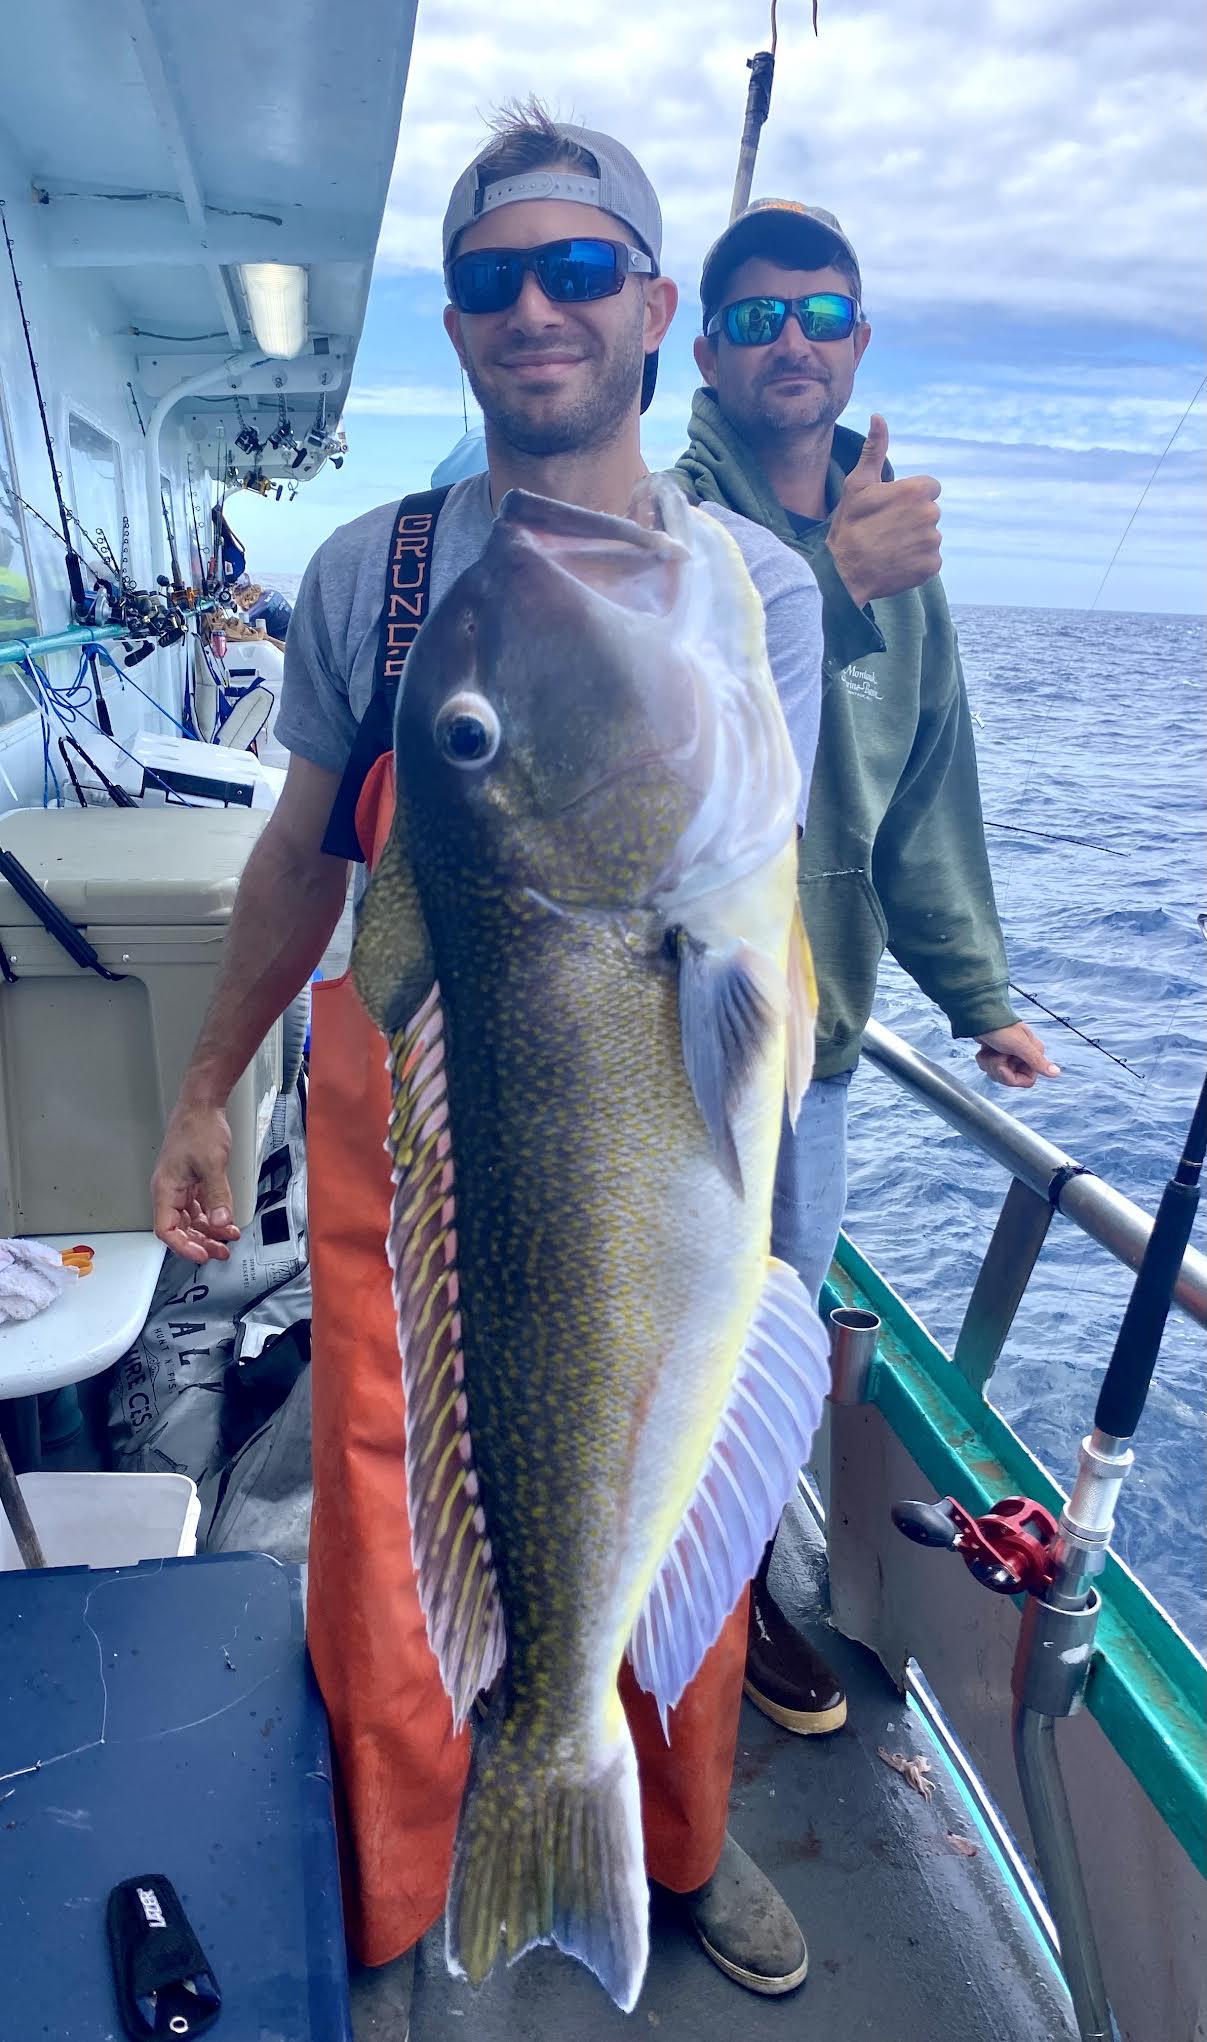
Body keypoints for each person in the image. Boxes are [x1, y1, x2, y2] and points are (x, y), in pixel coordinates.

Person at [150, 111, 825, 2012]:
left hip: (647, 1119)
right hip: (416, 1148)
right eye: (492, 279)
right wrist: (204, 1087)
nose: (536, 307)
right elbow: (303, 860)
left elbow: (768, 899)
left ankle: (669, 1837)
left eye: (578, 269)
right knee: (388, 1531)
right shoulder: (371, 575)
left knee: (676, 1499)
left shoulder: (752, 587)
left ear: (652, 310)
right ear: (454, 324)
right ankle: (392, 1886)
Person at [673, 198, 1059, 1743]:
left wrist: (980, 994)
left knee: (773, 1347)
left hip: (816, 1054)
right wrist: (831, 574)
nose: (792, 339)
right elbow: (675, 713)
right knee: (650, 1335)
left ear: (859, 343)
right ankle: (592, 1600)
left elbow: (924, 794)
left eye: (821, 313)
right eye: (756, 315)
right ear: (704, 351)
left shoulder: (901, 556)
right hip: (664, 1041)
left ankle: (731, 1601)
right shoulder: (663, 522)